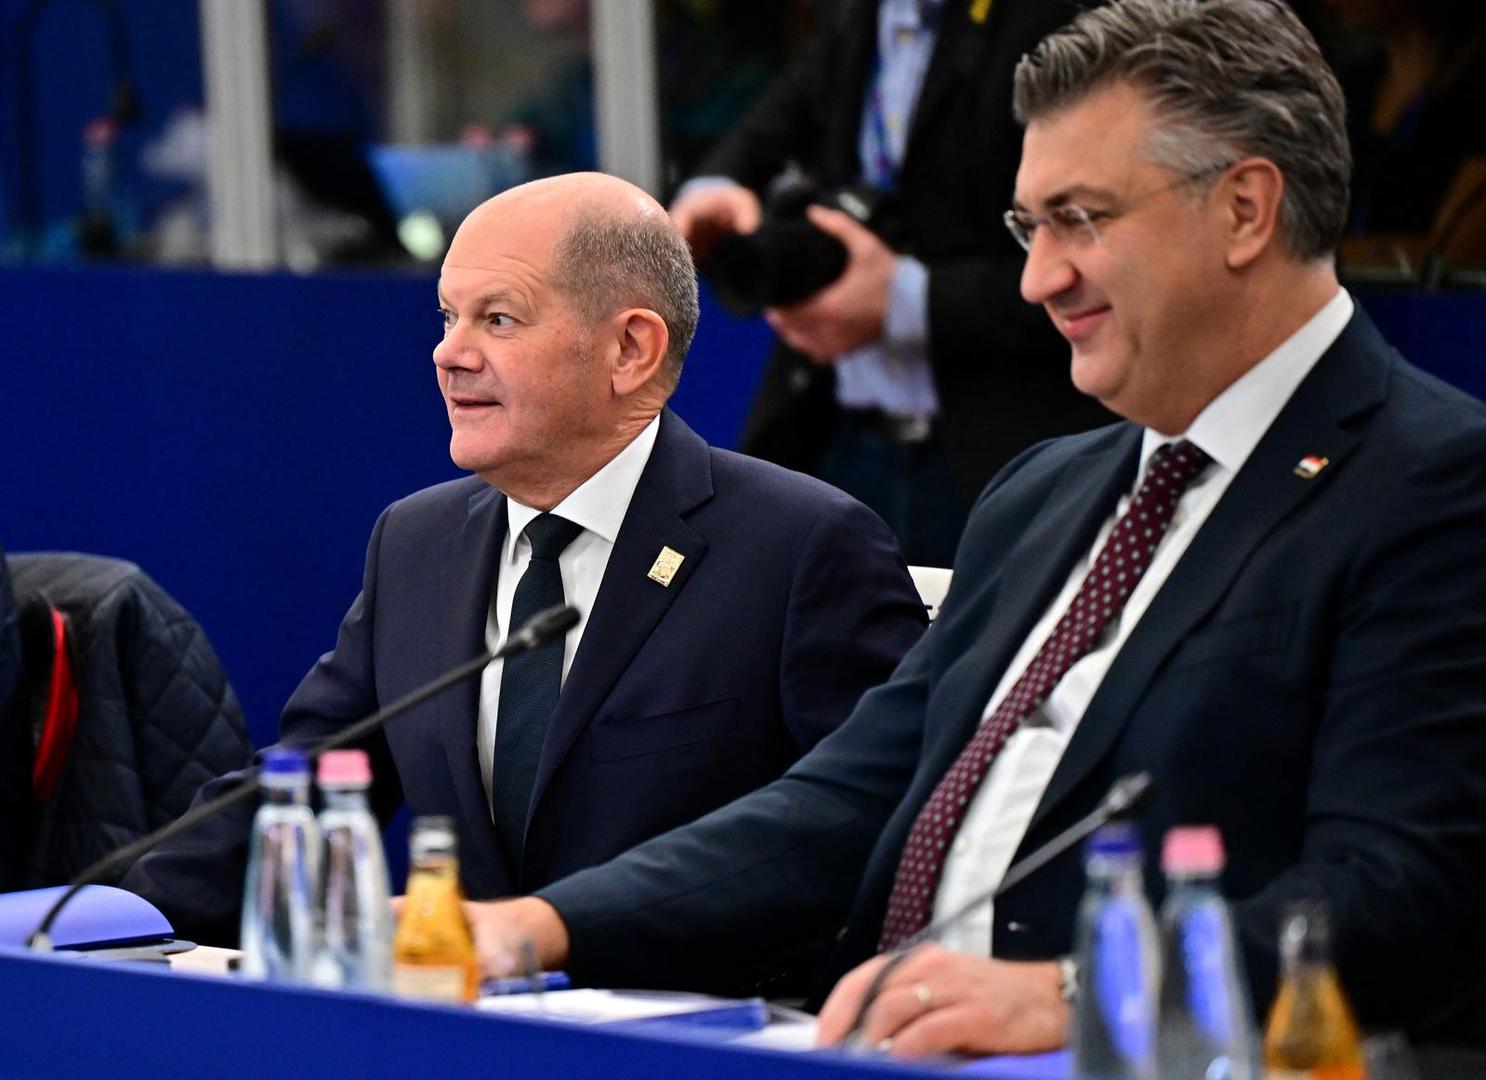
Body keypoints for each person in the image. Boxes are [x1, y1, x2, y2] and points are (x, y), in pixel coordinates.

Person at [466, 0, 1486, 1057]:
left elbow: (1403, 891)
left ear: (1243, 210)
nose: (1040, 279)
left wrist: (1074, 996)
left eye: (1079, 220)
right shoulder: (1043, 491)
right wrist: (545, 925)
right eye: (1025, 228)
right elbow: (852, 793)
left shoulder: (1433, 485)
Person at [122, 173, 926, 946]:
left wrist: (559, 933)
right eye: (447, 318)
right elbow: (297, 792)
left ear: (630, 350)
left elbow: (858, 830)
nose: (448, 354)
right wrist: (93, 921)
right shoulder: (416, 545)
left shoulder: (802, 548)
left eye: (498, 320)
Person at [670, 0, 1112, 566]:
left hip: (1005, 465)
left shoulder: (1066, 20)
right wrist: (711, 192)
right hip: (845, 442)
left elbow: (1103, 269)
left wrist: (905, 302)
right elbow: (775, 119)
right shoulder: (858, 17)